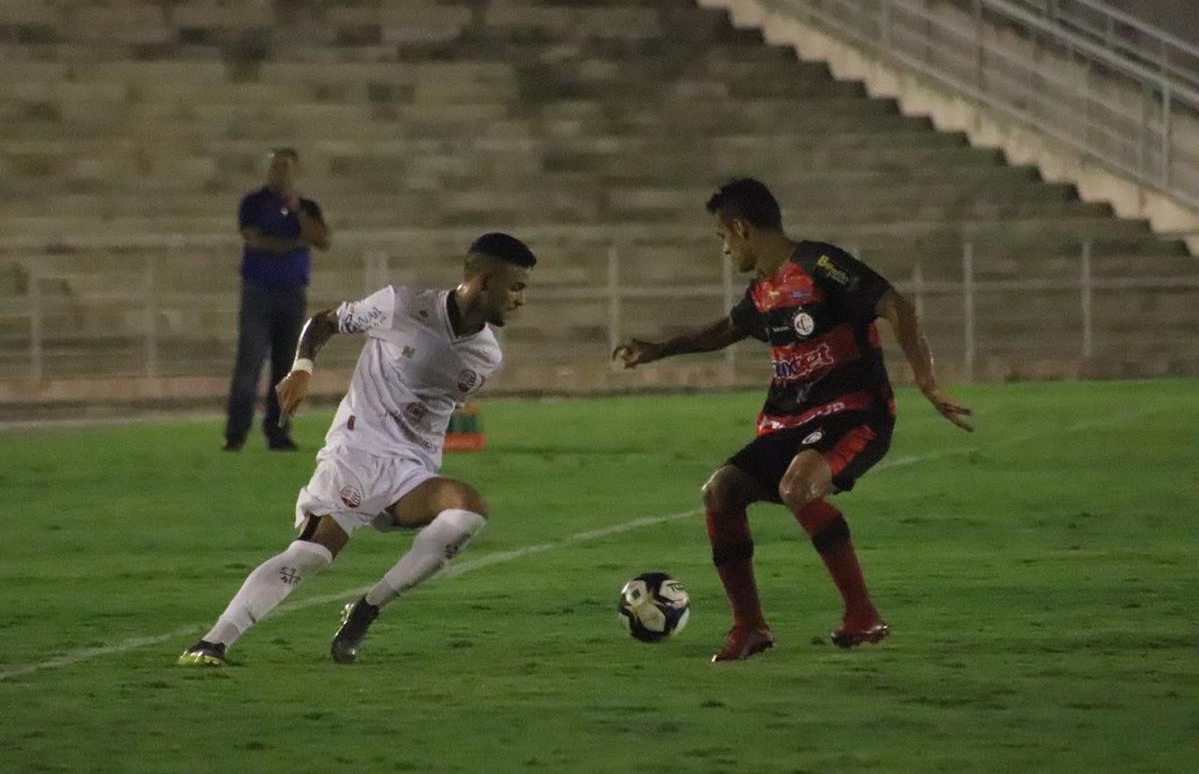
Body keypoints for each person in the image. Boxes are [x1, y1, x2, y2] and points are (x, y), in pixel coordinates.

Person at [613, 178, 972, 663]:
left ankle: (862, 615)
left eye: (722, 238)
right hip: (790, 422)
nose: (723, 249)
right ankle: (750, 627)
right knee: (720, 491)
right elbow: (723, 330)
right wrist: (658, 349)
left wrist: (926, 381)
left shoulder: (818, 265)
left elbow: (895, 305)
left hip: (854, 413)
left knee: (797, 486)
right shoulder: (763, 291)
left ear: (740, 228)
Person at [180, 233, 537, 666]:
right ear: (483, 281)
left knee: (467, 510)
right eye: (515, 287)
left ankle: (367, 608)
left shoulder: (487, 356)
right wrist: (301, 370)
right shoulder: (401, 306)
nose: (521, 299)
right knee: (313, 553)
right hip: (356, 451)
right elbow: (324, 322)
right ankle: (213, 642)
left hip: (411, 469)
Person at [224, 147, 330, 452]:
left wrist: (299, 215)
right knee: (250, 363)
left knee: (286, 368)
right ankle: (236, 434)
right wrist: (295, 243)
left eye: (286, 168)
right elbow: (255, 240)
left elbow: (322, 239)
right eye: (276, 167)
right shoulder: (254, 203)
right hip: (258, 291)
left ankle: (279, 432)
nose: (280, 173)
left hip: (292, 293)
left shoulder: (306, 206)